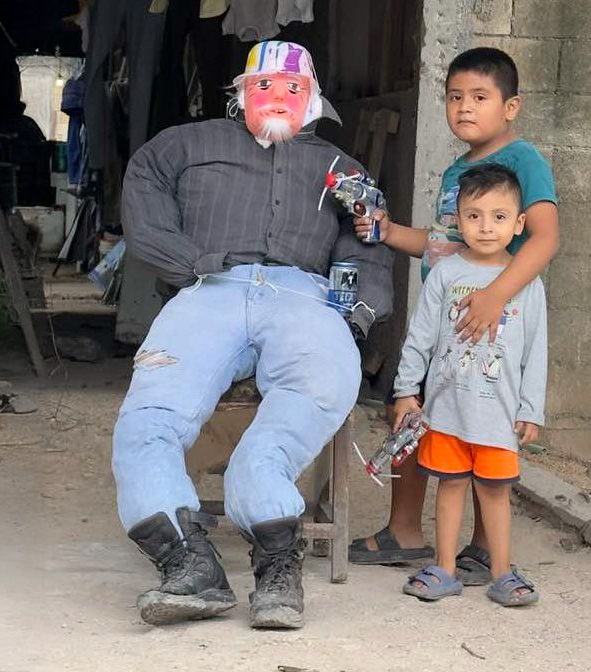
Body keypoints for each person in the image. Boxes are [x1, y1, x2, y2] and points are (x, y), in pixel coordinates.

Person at [113, 40, 393, 629]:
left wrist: (357, 315)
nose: (276, 97)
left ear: (312, 98)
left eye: (292, 88)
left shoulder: (343, 169)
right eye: (262, 86)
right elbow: (142, 187)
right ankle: (190, 567)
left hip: (305, 297)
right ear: (240, 94)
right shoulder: (187, 144)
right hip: (208, 286)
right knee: (147, 422)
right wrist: (185, 260)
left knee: (300, 407)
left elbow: (366, 246)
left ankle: (276, 565)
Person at [348, 47, 558, 584]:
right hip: (446, 326)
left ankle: (485, 549)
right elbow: (443, 242)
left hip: (492, 329)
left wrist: (496, 296)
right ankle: (407, 531)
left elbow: (546, 238)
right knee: (419, 418)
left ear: (511, 107)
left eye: (480, 97)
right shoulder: (456, 171)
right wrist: (389, 232)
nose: (465, 107)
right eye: (455, 96)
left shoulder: (523, 161)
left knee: (485, 435)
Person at [394, 164, 546, 606]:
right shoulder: (445, 274)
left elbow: (536, 350)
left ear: (519, 224)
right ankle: (444, 568)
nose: (485, 226)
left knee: (496, 493)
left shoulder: (526, 282)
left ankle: (502, 572)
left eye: (499, 216)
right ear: (457, 220)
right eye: (474, 215)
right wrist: (407, 391)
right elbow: (420, 336)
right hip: (446, 410)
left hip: (498, 414)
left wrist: (530, 409)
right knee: (450, 486)